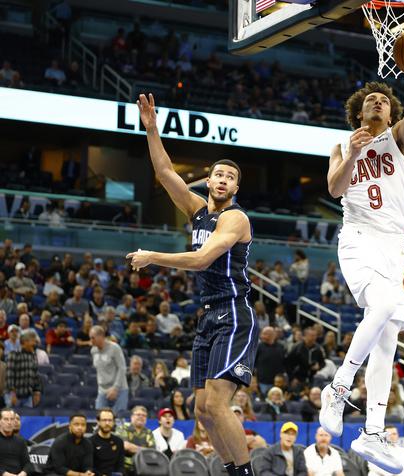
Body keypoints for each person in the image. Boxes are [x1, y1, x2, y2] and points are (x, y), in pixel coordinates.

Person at [320, 41, 404, 473]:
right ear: (360, 112)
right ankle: (338, 386)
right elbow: (336, 189)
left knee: (388, 339)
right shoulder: (342, 147)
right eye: (370, 99)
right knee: (383, 306)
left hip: (396, 247)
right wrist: (353, 152)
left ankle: (373, 431)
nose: (378, 101)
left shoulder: (400, 138)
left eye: (384, 100)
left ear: (391, 114)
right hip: (358, 237)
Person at [129, 93, 255, 476]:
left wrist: (153, 256)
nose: (223, 180)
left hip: (233, 314)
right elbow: (166, 173)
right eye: (219, 174)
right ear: (210, 178)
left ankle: (244, 473)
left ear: (235, 188)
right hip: (208, 316)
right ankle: (233, 469)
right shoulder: (197, 209)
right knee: (201, 411)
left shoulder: (235, 220)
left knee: (218, 405)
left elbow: (202, 259)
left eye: (231, 177)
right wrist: (152, 129)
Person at [90, 325, 129, 413]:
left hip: (119, 389)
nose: (91, 340)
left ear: (101, 336)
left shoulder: (115, 348)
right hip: (102, 390)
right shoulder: (93, 350)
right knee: (100, 417)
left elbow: (122, 368)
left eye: (93, 338)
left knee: (118, 418)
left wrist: (115, 388)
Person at [114, 405, 155, 475]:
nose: (141, 417)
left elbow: (152, 452)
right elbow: (125, 446)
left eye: (144, 415)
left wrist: (133, 448)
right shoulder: (123, 428)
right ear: (132, 417)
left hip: (144, 467)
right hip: (125, 466)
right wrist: (144, 450)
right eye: (138, 414)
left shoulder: (149, 432)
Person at [5, 330, 41, 408]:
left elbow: (35, 375)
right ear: (25, 342)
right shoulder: (14, 354)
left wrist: (37, 391)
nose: (35, 344)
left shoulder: (33, 355)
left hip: (28, 396)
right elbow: (9, 375)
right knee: (12, 418)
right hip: (14, 395)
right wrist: (12, 393)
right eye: (33, 341)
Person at [90, 408, 125, 476]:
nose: (107, 423)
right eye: (104, 420)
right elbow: (89, 466)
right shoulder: (90, 442)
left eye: (110, 420)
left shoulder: (119, 442)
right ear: (98, 422)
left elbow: (120, 466)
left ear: (113, 422)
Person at [0, 408, 31, 476]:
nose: (9, 422)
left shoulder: (20, 441)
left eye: (12, 419)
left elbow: (27, 464)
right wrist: (5, 474)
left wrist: (23, 473)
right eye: (6, 419)